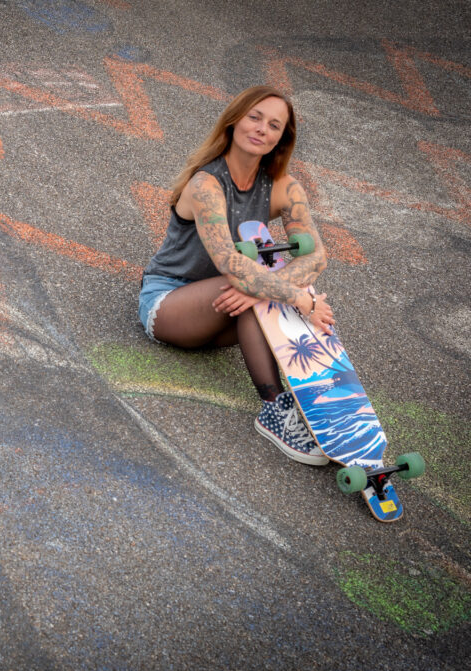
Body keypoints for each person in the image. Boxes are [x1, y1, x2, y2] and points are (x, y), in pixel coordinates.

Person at [138, 85, 335, 466]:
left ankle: (313, 399)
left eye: (274, 125)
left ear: (281, 138)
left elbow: (317, 256)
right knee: (261, 283)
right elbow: (230, 262)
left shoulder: (284, 187)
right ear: (233, 121)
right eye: (254, 117)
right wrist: (300, 298)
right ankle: (274, 410)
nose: (262, 129)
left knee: (261, 285)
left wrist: (264, 290)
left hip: (226, 308)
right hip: (170, 303)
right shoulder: (206, 185)